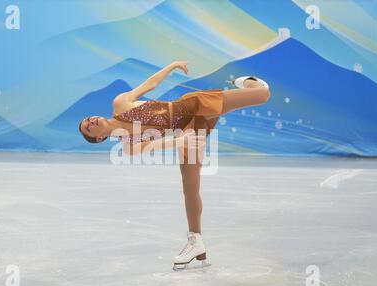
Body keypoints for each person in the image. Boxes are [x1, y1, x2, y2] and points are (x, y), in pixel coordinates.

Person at [79, 61, 271, 270]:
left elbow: (149, 85)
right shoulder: (129, 147)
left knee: (262, 95)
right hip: (185, 133)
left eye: (89, 118)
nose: (91, 121)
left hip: (191, 106)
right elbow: (156, 144)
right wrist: (180, 141)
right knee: (190, 187)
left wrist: (172, 66)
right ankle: (195, 241)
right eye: (88, 127)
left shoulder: (120, 103)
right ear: (98, 139)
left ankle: (248, 82)